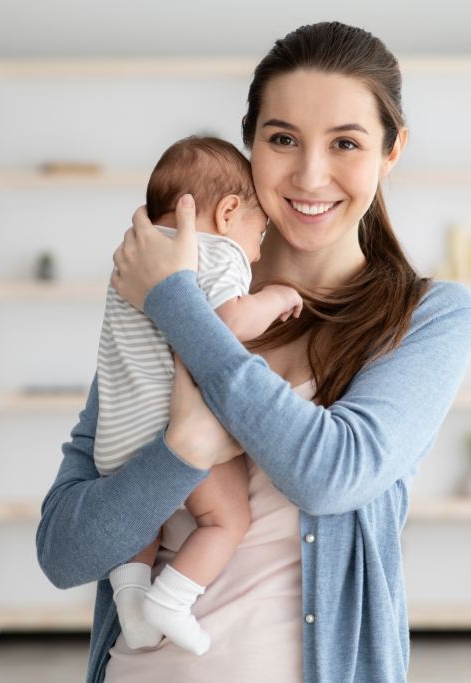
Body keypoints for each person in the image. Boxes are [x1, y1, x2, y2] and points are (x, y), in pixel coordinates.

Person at [37, 21, 471, 683]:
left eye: (345, 143)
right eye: (281, 139)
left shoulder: (426, 317)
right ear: (249, 144)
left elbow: (327, 475)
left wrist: (177, 305)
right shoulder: (165, 297)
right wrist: (181, 453)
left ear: (391, 152)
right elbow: (64, 551)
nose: (309, 173)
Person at [94, 135, 302, 656]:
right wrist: (274, 297)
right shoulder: (220, 251)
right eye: (261, 232)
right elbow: (228, 321)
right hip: (177, 426)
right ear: (230, 212)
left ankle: (131, 597)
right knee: (226, 518)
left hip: (116, 429)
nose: (258, 249)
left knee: (144, 517)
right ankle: (172, 599)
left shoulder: (132, 262)